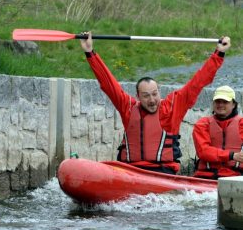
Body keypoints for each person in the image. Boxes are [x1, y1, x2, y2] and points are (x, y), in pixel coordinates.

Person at [80, 32, 231, 174]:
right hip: (130, 171)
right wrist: (90, 52)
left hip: (162, 171)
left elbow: (198, 82)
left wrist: (219, 53)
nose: (152, 100)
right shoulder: (128, 106)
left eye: (154, 94)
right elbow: (108, 84)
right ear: (137, 96)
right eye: (146, 96)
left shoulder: (172, 106)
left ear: (159, 91)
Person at [193, 85, 243, 179]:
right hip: (206, 175)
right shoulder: (202, 124)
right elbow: (203, 151)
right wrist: (232, 155)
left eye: (225, 102)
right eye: (217, 101)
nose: (220, 105)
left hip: (236, 177)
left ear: (233, 104)